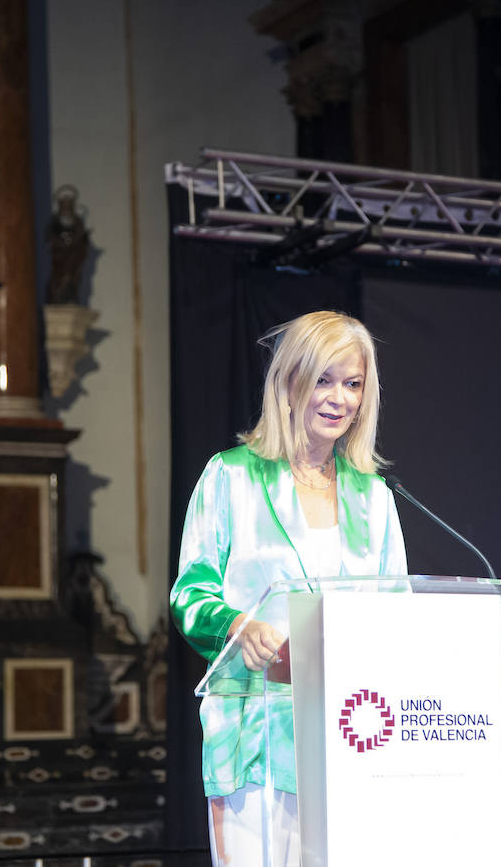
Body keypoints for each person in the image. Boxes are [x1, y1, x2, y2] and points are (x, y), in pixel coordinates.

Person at [170, 310, 408, 865]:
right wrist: (237, 625)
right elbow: (191, 591)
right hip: (253, 734)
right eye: (323, 379)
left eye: (352, 384)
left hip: (350, 738)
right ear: (290, 383)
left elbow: (396, 616)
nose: (339, 398)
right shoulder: (231, 476)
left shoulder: (376, 498)